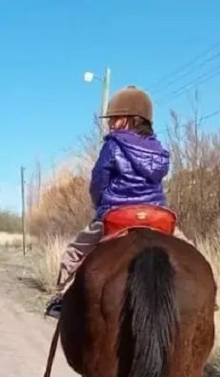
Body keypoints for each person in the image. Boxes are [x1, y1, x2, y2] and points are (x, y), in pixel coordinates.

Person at [44, 85, 188, 318]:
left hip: (118, 213)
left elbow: (99, 180)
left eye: (114, 118)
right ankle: (212, 293)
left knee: (74, 253)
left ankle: (61, 296)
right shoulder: (159, 150)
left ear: (131, 119)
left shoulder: (113, 145)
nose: (110, 123)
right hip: (156, 214)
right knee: (191, 252)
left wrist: (99, 204)